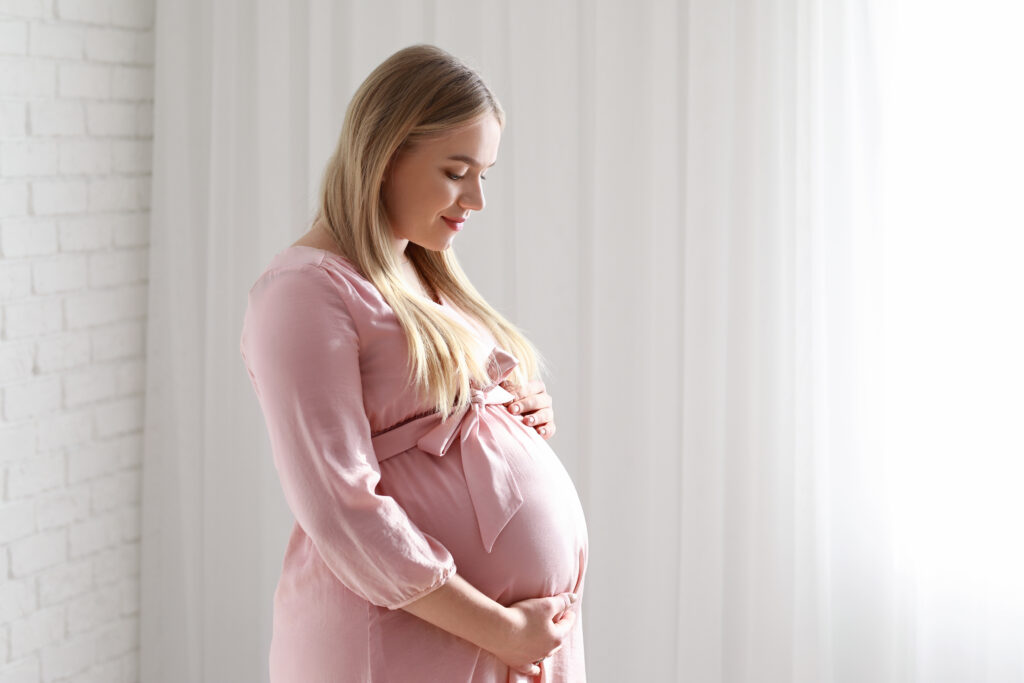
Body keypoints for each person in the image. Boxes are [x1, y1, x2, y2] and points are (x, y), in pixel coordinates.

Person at [239, 44, 588, 682]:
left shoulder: (416, 270)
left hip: (491, 644)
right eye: (456, 171)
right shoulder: (302, 294)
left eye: (485, 173)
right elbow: (341, 511)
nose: (476, 199)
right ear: (385, 155)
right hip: (400, 642)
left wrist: (517, 416)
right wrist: (503, 629)